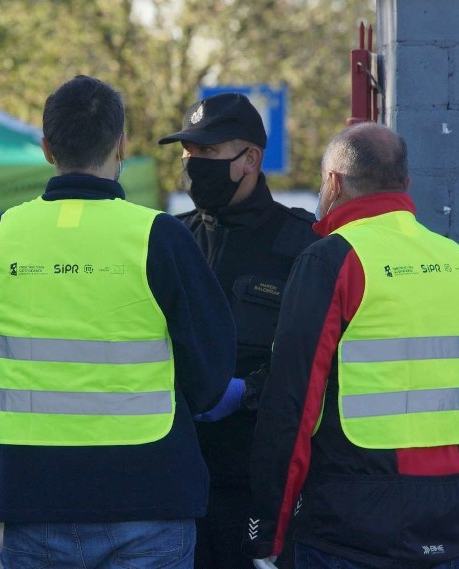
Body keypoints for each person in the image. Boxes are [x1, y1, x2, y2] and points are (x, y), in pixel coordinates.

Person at [0, 75, 237, 568]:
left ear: (47, 149)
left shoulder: (1, 236)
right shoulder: (160, 237)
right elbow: (211, 374)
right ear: (121, 144)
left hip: (32, 495)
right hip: (147, 494)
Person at [244, 122, 459, 569]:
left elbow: (293, 406)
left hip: (351, 526)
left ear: (333, 183)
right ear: (405, 184)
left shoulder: (333, 259)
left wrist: (268, 534)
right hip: (446, 517)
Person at [158, 92, 319, 569]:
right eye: (188, 154)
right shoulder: (170, 239)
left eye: (207, 153)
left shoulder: (302, 245)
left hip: (256, 486)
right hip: (174, 482)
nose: (193, 164)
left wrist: (248, 391)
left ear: (250, 158)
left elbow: (319, 359)